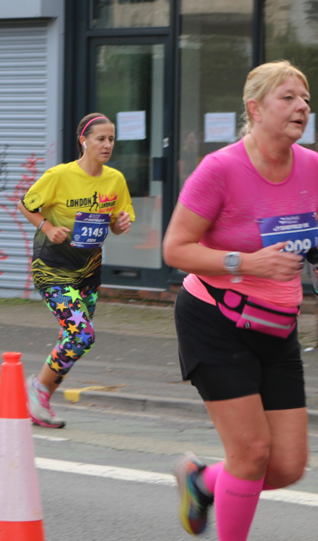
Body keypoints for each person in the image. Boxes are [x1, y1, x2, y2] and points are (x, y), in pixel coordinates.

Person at [163, 60, 313, 540]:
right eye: (288, 97)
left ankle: (201, 481)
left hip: (277, 326)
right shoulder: (221, 168)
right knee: (250, 454)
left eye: (305, 98)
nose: (301, 106)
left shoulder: (313, 168)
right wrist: (247, 263)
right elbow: (175, 249)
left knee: (288, 466)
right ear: (255, 108)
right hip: (215, 320)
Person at [18, 113, 133, 428]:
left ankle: (40, 400)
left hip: (88, 271)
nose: (107, 145)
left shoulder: (115, 180)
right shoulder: (59, 175)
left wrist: (121, 223)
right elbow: (26, 204)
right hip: (52, 269)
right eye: (101, 139)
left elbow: (117, 223)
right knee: (81, 334)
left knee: (74, 338)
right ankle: (38, 389)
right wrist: (47, 226)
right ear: (84, 141)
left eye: (111, 139)